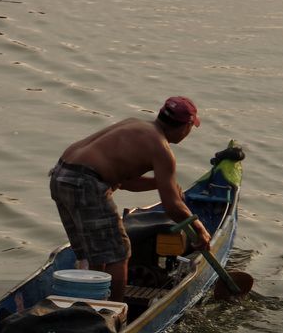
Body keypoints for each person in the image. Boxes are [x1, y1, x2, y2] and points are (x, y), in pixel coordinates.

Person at [48, 96, 212, 303]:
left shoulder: (134, 124)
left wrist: (159, 183)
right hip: (86, 182)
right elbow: (172, 207)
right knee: (118, 252)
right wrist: (200, 230)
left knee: (91, 252)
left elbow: (124, 181)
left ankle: (87, 302)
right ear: (185, 126)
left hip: (61, 176)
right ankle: (114, 312)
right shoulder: (161, 149)